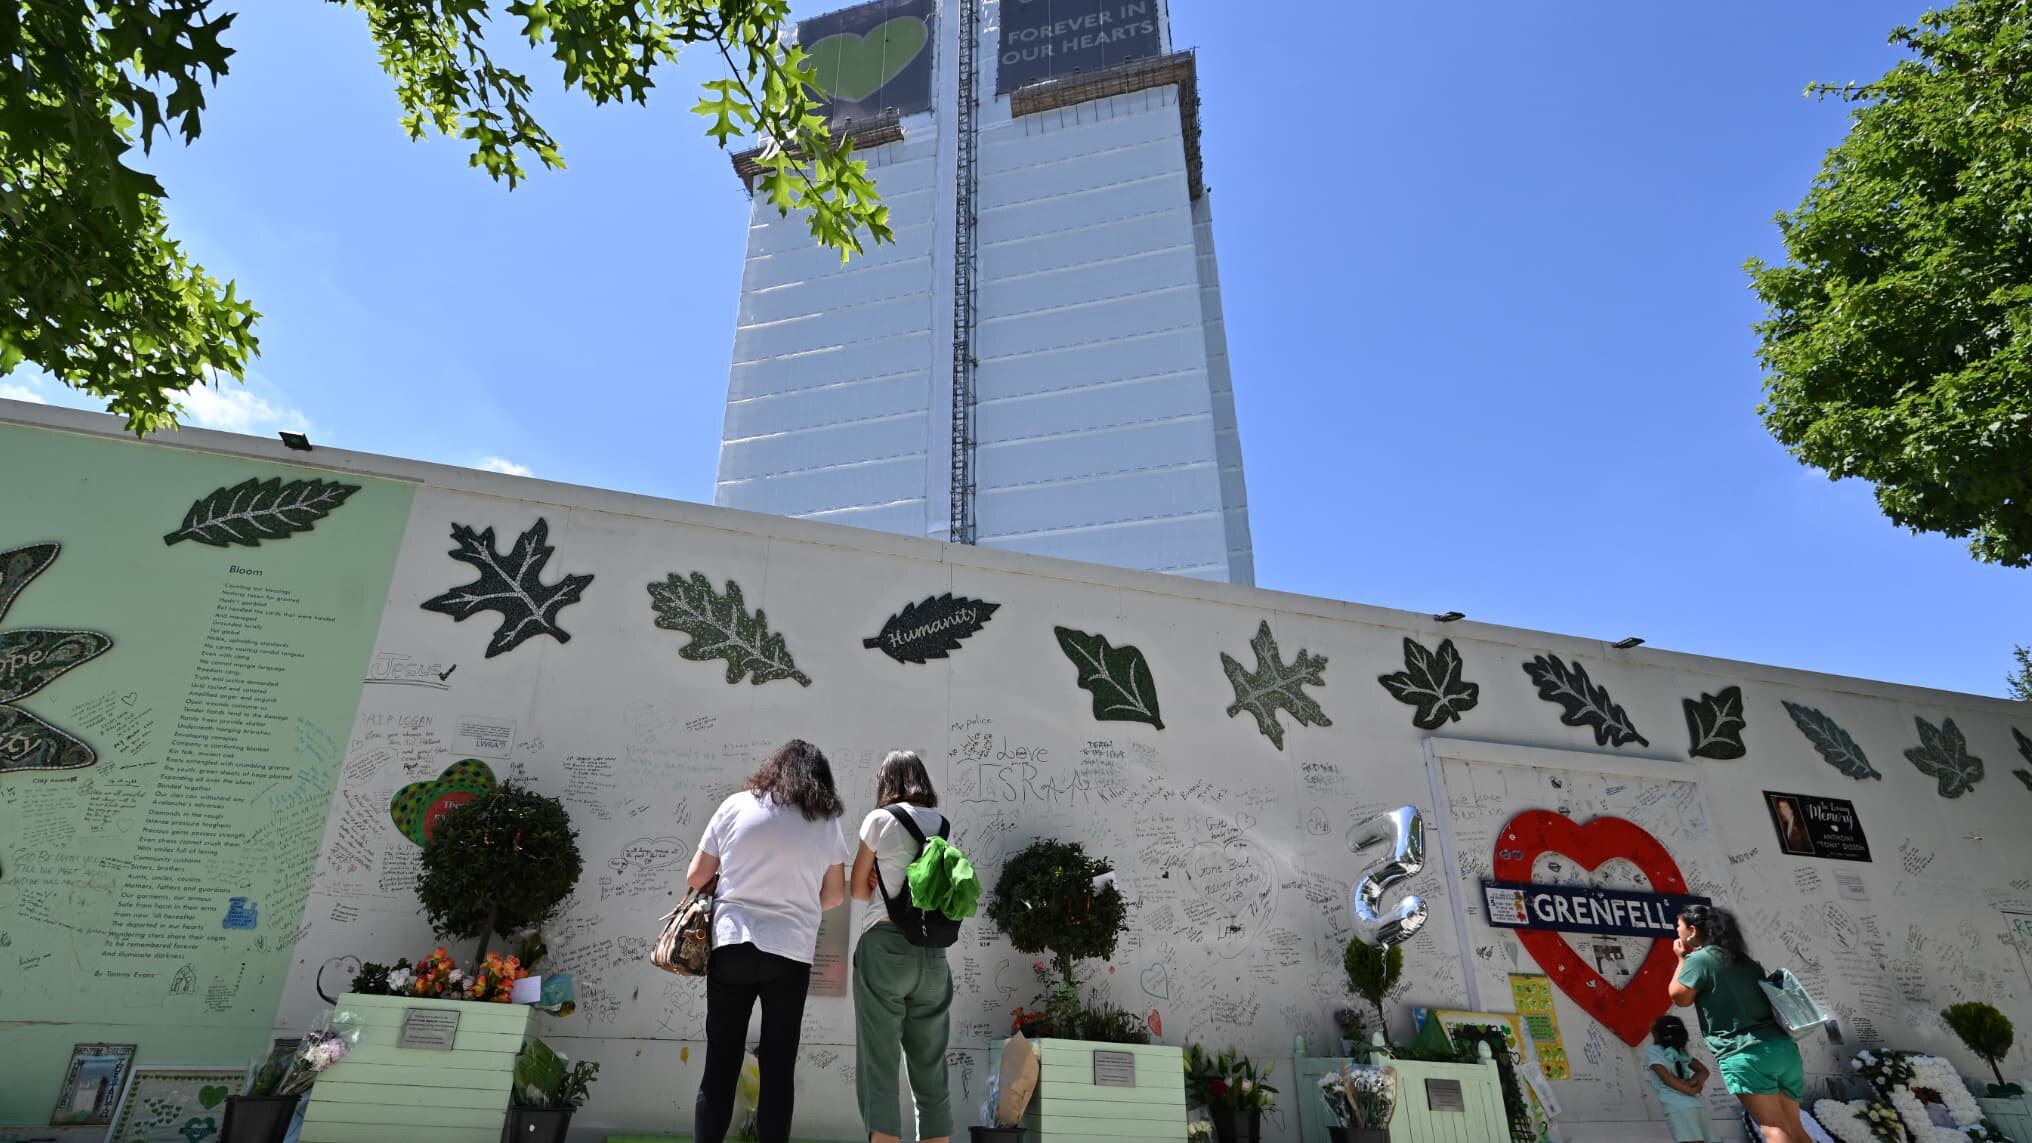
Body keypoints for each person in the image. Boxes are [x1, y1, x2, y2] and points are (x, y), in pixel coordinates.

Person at [686, 739, 850, 1143]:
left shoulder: (735, 805)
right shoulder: (825, 820)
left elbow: (695, 876)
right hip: (789, 953)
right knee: (778, 1069)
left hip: (731, 945)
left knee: (720, 1065)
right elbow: (834, 895)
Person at [850, 750, 954, 1143]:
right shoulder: (941, 824)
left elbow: (858, 890)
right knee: (930, 1067)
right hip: (932, 954)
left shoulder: (879, 820)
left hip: (885, 946)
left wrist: (877, 877)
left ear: (886, 782)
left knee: (880, 1062)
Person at [1668, 904, 1809, 1143]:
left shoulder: (1699, 960)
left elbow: (1679, 997)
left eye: (1679, 927)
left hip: (1745, 1053)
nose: (1677, 933)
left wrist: (1681, 960)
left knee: (1773, 1128)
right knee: (1795, 1129)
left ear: (1692, 931)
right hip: (1783, 1049)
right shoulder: (1746, 961)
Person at [1646, 1015, 1718, 1142]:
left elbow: (1666, 1077)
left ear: (1656, 1034)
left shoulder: (1653, 1051)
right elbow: (1703, 1071)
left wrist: (1688, 1090)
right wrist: (1694, 1084)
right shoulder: (1681, 1052)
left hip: (1677, 1107)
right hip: (1696, 1105)